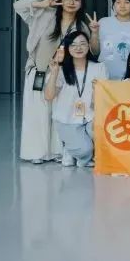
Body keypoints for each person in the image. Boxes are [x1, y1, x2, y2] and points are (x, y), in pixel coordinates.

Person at [43, 31, 105, 167]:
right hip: (67, 119)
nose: (78, 48)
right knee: (84, 150)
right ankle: (73, 151)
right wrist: (54, 73)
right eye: (73, 45)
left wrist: (96, 92)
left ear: (89, 46)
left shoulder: (99, 67)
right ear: (67, 48)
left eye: (82, 44)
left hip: (91, 116)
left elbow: (102, 101)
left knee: (101, 135)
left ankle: (76, 152)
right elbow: (49, 96)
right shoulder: (61, 69)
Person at [97, 0, 130, 80]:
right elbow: (95, 51)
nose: (122, 6)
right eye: (118, 2)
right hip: (103, 75)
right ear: (113, 5)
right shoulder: (103, 22)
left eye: (127, 2)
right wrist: (93, 33)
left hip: (128, 77)